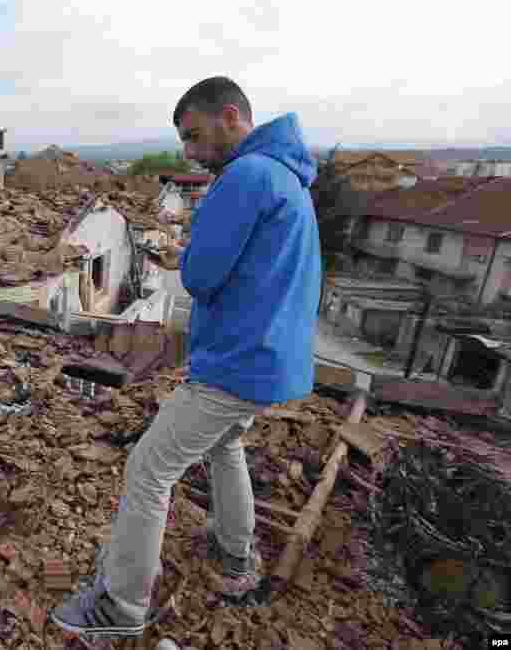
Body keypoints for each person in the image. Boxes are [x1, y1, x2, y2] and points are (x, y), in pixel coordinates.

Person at [49, 76, 322, 638]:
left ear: (231, 116)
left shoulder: (245, 176)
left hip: (236, 360)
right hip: (271, 357)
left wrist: (187, 251)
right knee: (226, 445)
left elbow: (199, 276)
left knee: (149, 469)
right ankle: (236, 557)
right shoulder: (285, 176)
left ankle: (120, 607)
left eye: (195, 136)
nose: (192, 153)